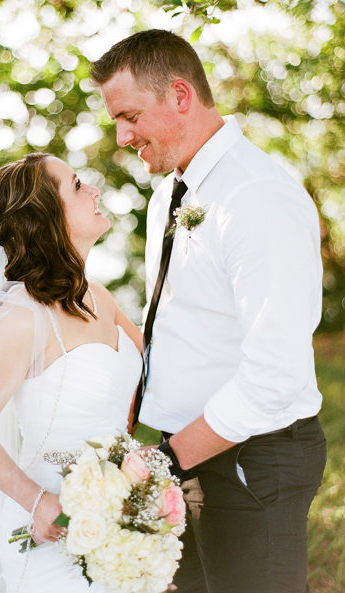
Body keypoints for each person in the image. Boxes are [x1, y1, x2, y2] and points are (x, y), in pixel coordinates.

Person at [91, 29, 326, 593]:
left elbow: (275, 374)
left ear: (179, 95)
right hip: (187, 454)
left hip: (252, 460)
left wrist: (168, 459)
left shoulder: (256, 196)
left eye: (129, 116)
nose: (122, 137)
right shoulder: (168, 192)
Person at [0, 152, 144, 593]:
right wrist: (38, 502)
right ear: (46, 217)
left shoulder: (100, 297)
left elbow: (148, 380)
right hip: (54, 528)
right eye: (78, 186)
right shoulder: (23, 317)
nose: (95, 190)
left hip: (121, 515)